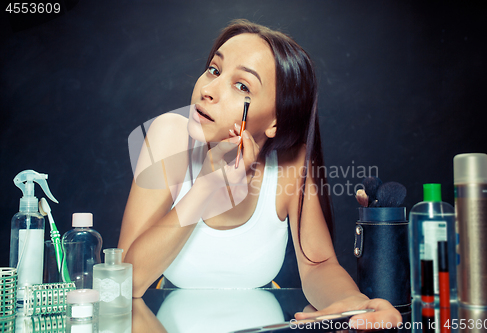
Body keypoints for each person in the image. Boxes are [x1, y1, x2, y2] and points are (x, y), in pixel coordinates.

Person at [118, 19, 401, 329]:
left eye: (242, 85)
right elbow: (126, 281)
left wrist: (353, 304)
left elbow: (318, 264)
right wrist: (203, 191)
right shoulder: (168, 135)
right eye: (214, 69)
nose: (208, 90)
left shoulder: (291, 162)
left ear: (274, 122)